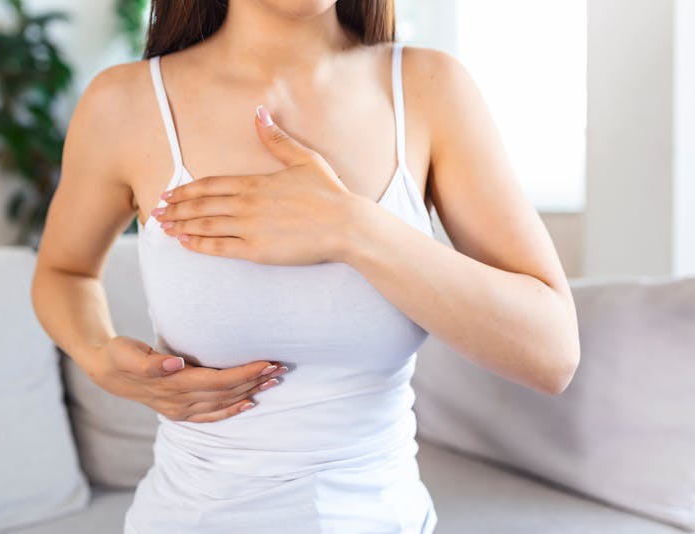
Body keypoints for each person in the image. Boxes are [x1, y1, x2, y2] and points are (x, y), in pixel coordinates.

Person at [31, 1, 581, 532]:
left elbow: (551, 353)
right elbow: (64, 271)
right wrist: (96, 355)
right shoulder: (124, 104)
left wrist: (352, 228)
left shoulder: (431, 89)